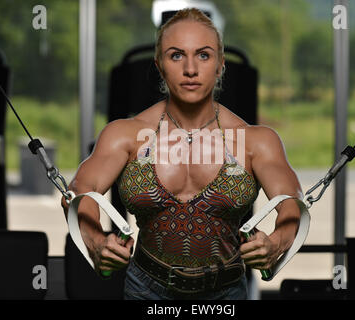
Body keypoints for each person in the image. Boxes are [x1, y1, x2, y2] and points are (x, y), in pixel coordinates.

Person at [61, 8, 302, 300]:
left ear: (220, 64)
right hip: (146, 290)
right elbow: (78, 193)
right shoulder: (124, 135)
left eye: (203, 55)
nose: (190, 69)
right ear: (160, 65)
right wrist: (96, 242)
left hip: (225, 294)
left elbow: (292, 204)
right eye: (176, 55)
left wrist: (276, 243)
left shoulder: (257, 141)